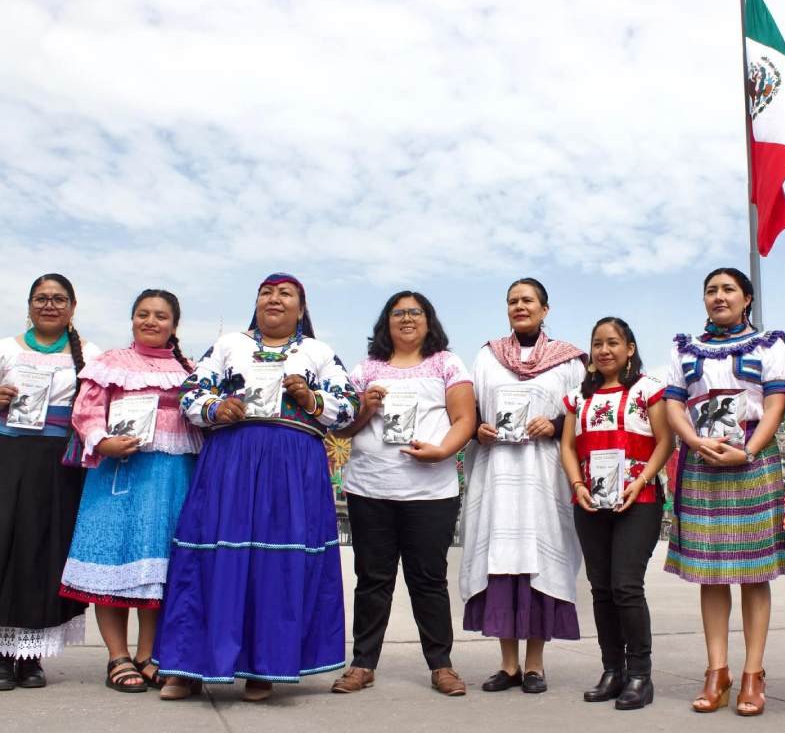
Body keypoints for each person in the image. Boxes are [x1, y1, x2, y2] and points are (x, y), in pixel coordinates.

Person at [154, 273, 359, 702]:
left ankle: (266, 666)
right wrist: (216, 407)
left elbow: (348, 407)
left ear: (301, 309)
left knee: (277, 563)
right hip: (231, 460)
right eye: (266, 292)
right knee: (212, 556)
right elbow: (190, 393)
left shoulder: (319, 353)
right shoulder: (230, 346)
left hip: (292, 465)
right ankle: (186, 667)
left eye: (285, 294)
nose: (274, 299)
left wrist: (311, 399)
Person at [663, 267, 785, 716]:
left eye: (728, 290)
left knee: (755, 571)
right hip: (702, 457)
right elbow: (674, 403)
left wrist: (750, 451)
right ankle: (716, 670)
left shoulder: (770, 343)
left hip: (751, 457)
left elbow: (776, 403)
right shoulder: (684, 348)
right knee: (711, 571)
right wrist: (694, 440)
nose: (719, 297)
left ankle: (753, 673)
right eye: (711, 291)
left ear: (747, 298)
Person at [330, 291, 474, 697]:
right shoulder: (366, 369)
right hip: (370, 488)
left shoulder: (446, 362)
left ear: (429, 321)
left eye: (416, 312)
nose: (407, 319)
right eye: (398, 313)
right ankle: (362, 664)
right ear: (386, 323)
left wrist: (443, 451)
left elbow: (465, 418)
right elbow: (342, 428)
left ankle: (441, 665)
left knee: (428, 580)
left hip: (431, 492)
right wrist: (365, 407)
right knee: (372, 580)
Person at [59, 290, 200, 692]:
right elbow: (85, 412)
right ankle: (117, 656)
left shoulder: (188, 369)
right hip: (119, 475)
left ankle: (148, 654)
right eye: (143, 314)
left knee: (156, 570)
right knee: (113, 561)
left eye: (160, 316)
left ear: (174, 324)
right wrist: (102, 441)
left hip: (172, 476)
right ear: (132, 319)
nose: (151, 321)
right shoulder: (109, 363)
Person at [459, 278, 586, 694]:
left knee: (539, 565)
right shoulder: (487, 357)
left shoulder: (568, 361)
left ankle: (535, 665)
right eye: (512, 301)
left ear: (545, 309)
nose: (519, 306)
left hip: (543, 473)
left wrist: (555, 424)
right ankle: (507, 664)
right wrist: (478, 429)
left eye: (527, 300)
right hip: (498, 472)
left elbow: (584, 414)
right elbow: (471, 411)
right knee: (501, 562)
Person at [561, 317, 673, 710]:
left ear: (629, 349)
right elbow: (568, 448)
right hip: (590, 502)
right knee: (601, 588)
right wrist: (577, 485)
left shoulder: (647, 391)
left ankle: (640, 675)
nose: (604, 350)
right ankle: (613, 670)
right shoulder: (578, 397)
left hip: (636, 502)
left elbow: (665, 442)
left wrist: (640, 481)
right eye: (597, 343)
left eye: (613, 342)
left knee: (626, 586)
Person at [0, 274, 100, 690]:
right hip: (8, 456)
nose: (50, 305)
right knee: (5, 544)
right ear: (29, 304)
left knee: (43, 552)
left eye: (59, 299)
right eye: (41, 298)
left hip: (59, 464)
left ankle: (31, 658)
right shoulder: (6, 348)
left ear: (72, 307)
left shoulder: (89, 354)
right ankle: (2, 655)